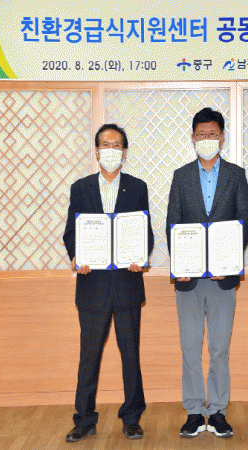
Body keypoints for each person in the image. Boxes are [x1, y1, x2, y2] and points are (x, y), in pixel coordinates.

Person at [63, 124, 155, 442]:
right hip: (92, 284)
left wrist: (141, 256)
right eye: (105, 144)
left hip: (127, 283)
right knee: (89, 356)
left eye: (116, 145)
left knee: (130, 355)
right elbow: (71, 232)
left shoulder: (137, 187)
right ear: (97, 150)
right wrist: (77, 256)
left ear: (124, 152)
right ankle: (84, 419)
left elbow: (145, 231)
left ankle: (132, 417)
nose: (110, 149)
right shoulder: (81, 188)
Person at [166, 107, 248, 438]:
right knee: (190, 348)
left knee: (219, 349)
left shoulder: (236, 175)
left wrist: (227, 262)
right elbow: (173, 223)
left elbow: (243, 224)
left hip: (221, 279)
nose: (207, 139)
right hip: (188, 280)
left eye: (212, 134)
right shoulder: (181, 176)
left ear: (222, 138)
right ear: (193, 138)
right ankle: (193, 410)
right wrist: (180, 264)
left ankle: (216, 411)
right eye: (201, 134)